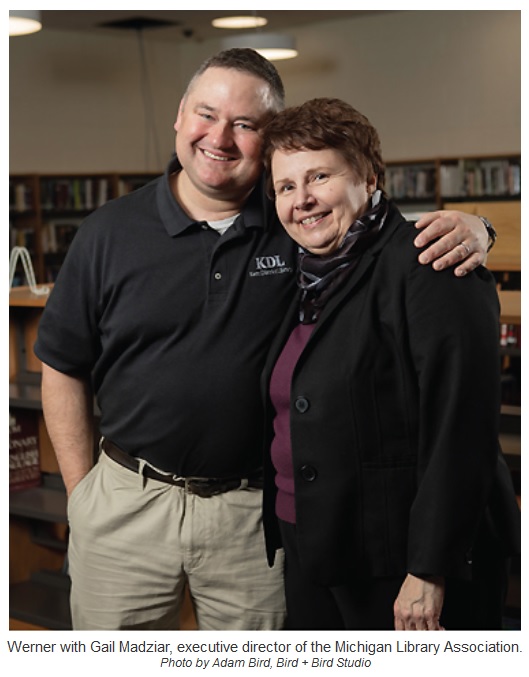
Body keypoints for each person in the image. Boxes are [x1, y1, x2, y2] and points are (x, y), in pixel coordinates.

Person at [35, 48, 495, 631]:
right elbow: (62, 365)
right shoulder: (107, 233)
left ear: (266, 139)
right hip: (129, 503)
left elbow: (377, 226)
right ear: (179, 115)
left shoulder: (293, 226)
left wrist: (479, 227)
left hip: (251, 518)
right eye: (206, 114)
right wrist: (83, 499)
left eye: (245, 125)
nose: (219, 138)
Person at [260, 97, 521, 631]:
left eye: (319, 177)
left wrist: (430, 567)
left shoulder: (433, 261)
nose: (302, 200)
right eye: (286, 186)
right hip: (314, 544)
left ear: (368, 175)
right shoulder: (301, 276)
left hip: (400, 561)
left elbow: (462, 431)